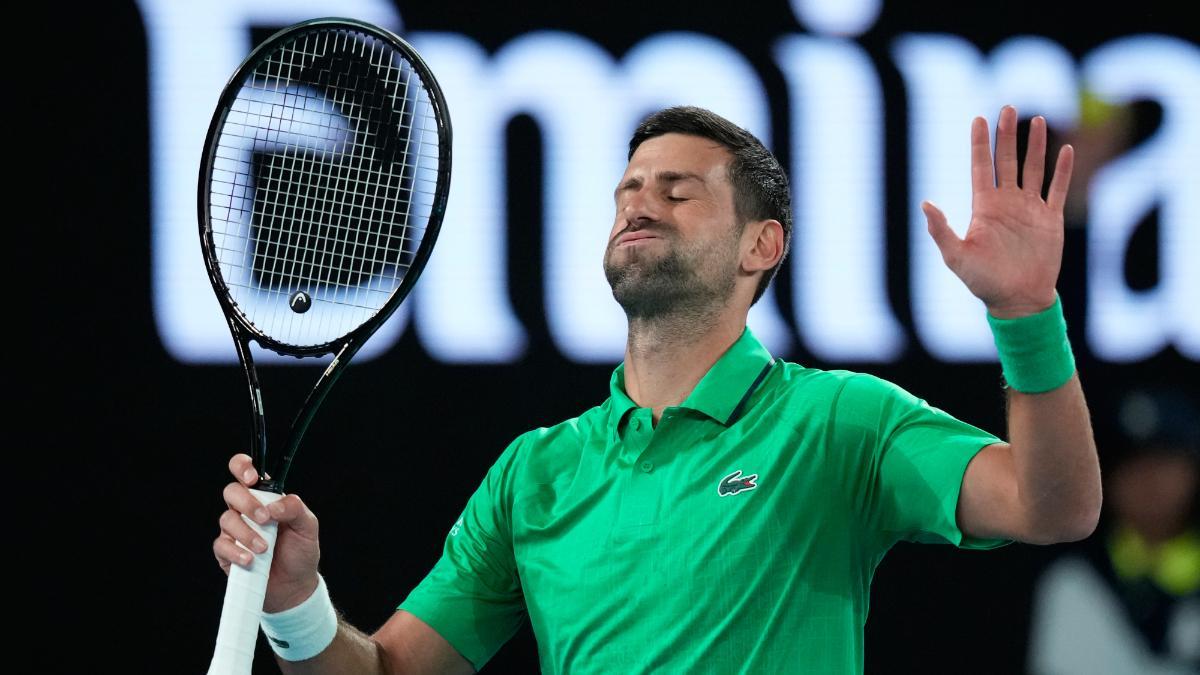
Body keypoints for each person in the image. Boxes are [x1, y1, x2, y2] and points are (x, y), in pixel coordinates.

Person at [214, 105, 1102, 673]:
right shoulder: (537, 472)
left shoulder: (841, 422)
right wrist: (297, 599)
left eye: (677, 192)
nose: (639, 203)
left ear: (762, 246)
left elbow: (1051, 505)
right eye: (629, 189)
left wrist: (1026, 314)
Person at [1028, 388, 1199, 674]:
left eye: (1165, 461)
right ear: (1102, 477)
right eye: (1131, 464)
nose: (1149, 480)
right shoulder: (1074, 580)